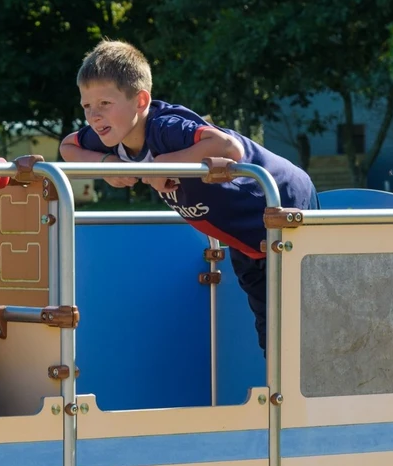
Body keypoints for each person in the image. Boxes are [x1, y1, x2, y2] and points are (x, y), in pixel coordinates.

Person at [58, 40, 317, 354]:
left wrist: (162, 166)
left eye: (104, 104)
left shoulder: (166, 128)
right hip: (246, 241)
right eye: (87, 106)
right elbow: (67, 147)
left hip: (285, 207)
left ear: (140, 101)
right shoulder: (113, 137)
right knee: (273, 339)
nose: (94, 116)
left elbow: (227, 147)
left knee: (299, 333)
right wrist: (104, 165)